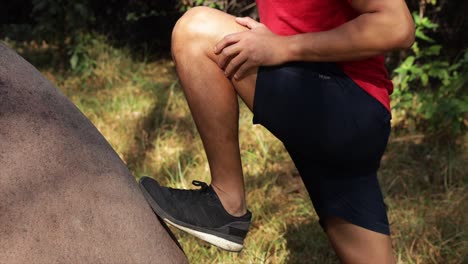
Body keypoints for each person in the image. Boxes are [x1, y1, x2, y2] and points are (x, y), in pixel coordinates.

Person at [139, 0, 415, 262]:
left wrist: (284, 47)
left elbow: (396, 25)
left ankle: (226, 202)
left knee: (196, 31)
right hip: (336, 110)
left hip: (343, 103)